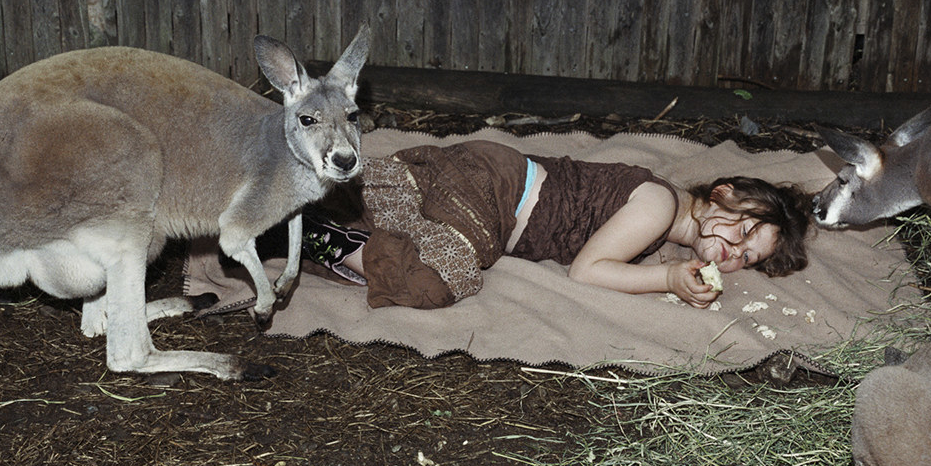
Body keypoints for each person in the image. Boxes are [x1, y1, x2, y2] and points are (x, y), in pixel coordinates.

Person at [306, 139, 813, 311]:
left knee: (385, 213)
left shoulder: (664, 227)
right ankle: (317, 236)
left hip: (490, 183)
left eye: (748, 257)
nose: (733, 251)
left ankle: (302, 219)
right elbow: (587, 271)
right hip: (496, 192)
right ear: (722, 195)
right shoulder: (658, 204)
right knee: (442, 278)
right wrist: (667, 281)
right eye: (743, 231)